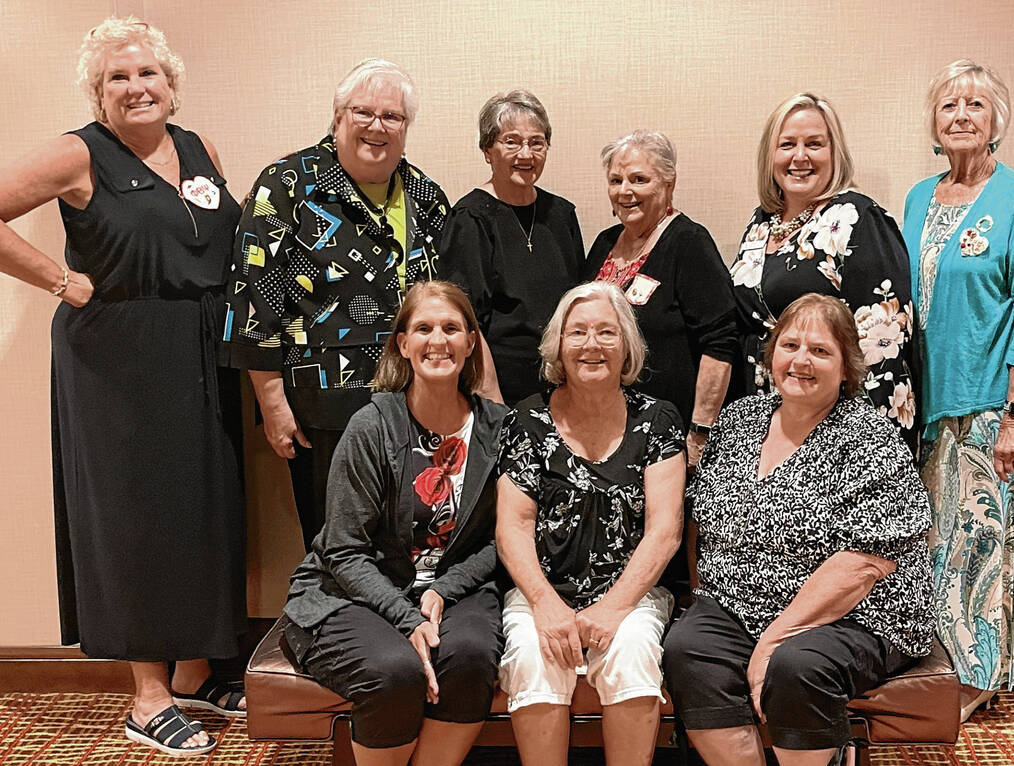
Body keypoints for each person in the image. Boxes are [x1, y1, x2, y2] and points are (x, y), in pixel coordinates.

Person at [0, 17, 246, 755]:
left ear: (171, 83)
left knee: (202, 506)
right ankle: (147, 694)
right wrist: (58, 279)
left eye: (148, 73)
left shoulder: (198, 148)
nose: (136, 87)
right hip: (118, 358)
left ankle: (195, 671)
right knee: (137, 515)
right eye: (118, 77)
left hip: (201, 349)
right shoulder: (80, 153)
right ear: (98, 93)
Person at [663, 293, 933, 766]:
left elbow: (862, 565)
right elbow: (703, 518)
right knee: (688, 649)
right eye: (790, 346)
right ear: (772, 355)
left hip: (855, 615)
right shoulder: (740, 420)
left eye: (820, 351)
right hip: (737, 603)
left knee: (796, 665)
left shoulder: (869, 436)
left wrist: (773, 639)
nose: (801, 361)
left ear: (846, 368)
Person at [219, 58, 450, 550]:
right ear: (339, 116)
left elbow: (446, 299)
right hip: (323, 406)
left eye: (392, 116)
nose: (377, 126)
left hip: (415, 400)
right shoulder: (288, 185)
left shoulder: (426, 194)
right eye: (363, 112)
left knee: (411, 538)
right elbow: (253, 296)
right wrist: (272, 402)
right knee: (337, 543)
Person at [282, 281, 507, 766]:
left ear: (471, 342)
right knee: (394, 671)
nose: (437, 340)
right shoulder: (372, 426)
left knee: (470, 657)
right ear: (403, 344)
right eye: (423, 329)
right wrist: (408, 621)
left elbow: (505, 538)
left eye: (451, 328)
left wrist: (444, 589)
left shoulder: (500, 429)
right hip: (353, 590)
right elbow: (343, 549)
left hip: (457, 589)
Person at [903, 60, 1014, 720]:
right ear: (934, 124)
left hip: (992, 403)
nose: (961, 115)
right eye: (949, 105)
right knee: (936, 544)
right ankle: (941, 670)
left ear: (996, 121)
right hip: (928, 403)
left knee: (979, 548)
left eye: (975, 104)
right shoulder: (919, 197)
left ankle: (975, 680)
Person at [496, 282, 686, 766]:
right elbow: (513, 528)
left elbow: (665, 530)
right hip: (542, 591)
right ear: (558, 346)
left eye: (606, 332)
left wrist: (614, 608)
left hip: (632, 593)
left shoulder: (658, 419)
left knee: (633, 651)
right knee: (532, 654)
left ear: (627, 346)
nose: (591, 344)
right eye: (577, 332)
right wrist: (545, 604)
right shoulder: (527, 419)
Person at [730, 93, 918, 445]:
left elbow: (882, 344)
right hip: (766, 414)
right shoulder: (760, 223)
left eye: (814, 144)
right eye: (787, 144)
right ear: (770, 155)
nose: (800, 156)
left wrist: (860, 440)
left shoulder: (858, 217)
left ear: (835, 154)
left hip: (838, 425)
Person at [585, 130, 737, 469]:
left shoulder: (689, 243)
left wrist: (699, 433)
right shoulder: (604, 243)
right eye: (616, 180)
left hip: (668, 435)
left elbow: (720, 343)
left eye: (639, 179)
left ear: (669, 183)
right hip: (604, 430)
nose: (625, 191)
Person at [440, 89, 585, 405]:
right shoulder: (471, 218)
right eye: (512, 142)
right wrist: (492, 400)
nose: (526, 154)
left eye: (537, 143)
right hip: (502, 387)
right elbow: (465, 320)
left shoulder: (561, 214)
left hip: (566, 382)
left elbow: (578, 303)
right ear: (487, 150)